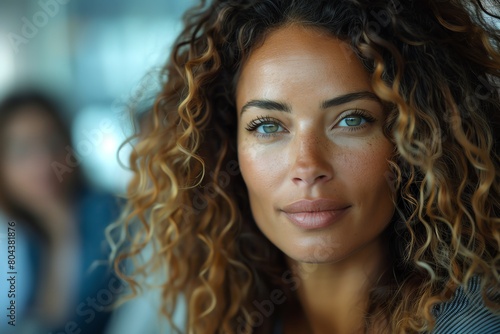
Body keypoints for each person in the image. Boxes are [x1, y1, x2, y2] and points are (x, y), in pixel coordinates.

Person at [110, 0, 500, 333]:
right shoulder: (221, 315)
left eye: (351, 120)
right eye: (267, 126)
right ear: (228, 152)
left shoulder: (471, 324)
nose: (307, 166)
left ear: (415, 141)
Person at [0, 90, 121, 334]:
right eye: (22, 150)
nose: (43, 161)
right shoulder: (22, 237)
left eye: (53, 143)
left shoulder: (114, 216)